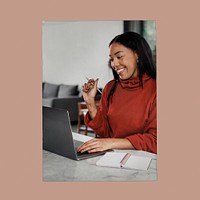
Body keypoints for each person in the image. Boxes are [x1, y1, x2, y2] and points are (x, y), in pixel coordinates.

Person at [77, 32, 157, 154]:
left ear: (137, 54)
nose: (114, 64)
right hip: (112, 157)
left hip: (144, 161)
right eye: (112, 59)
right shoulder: (111, 88)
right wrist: (90, 102)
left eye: (119, 57)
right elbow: (104, 132)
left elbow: (155, 140)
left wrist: (110, 142)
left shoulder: (155, 89)